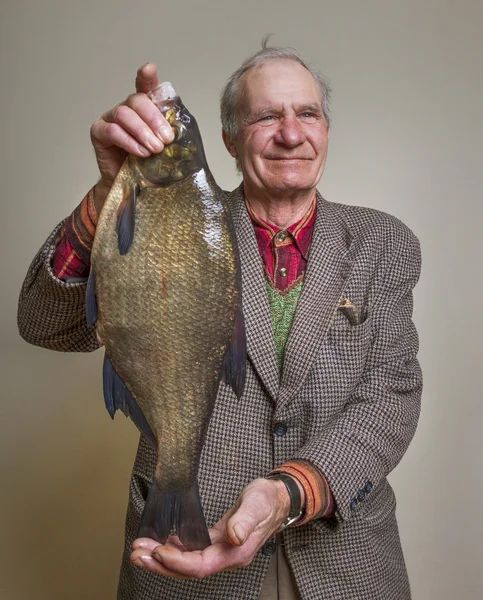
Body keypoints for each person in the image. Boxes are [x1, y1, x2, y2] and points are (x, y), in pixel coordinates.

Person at [17, 45, 422, 600]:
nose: (290, 133)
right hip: (181, 554)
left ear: (326, 129)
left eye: (307, 113)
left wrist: (289, 494)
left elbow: (391, 395)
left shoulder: (385, 243)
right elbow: (43, 324)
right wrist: (107, 198)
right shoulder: (167, 217)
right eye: (265, 116)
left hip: (346, 566)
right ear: (229, 139)